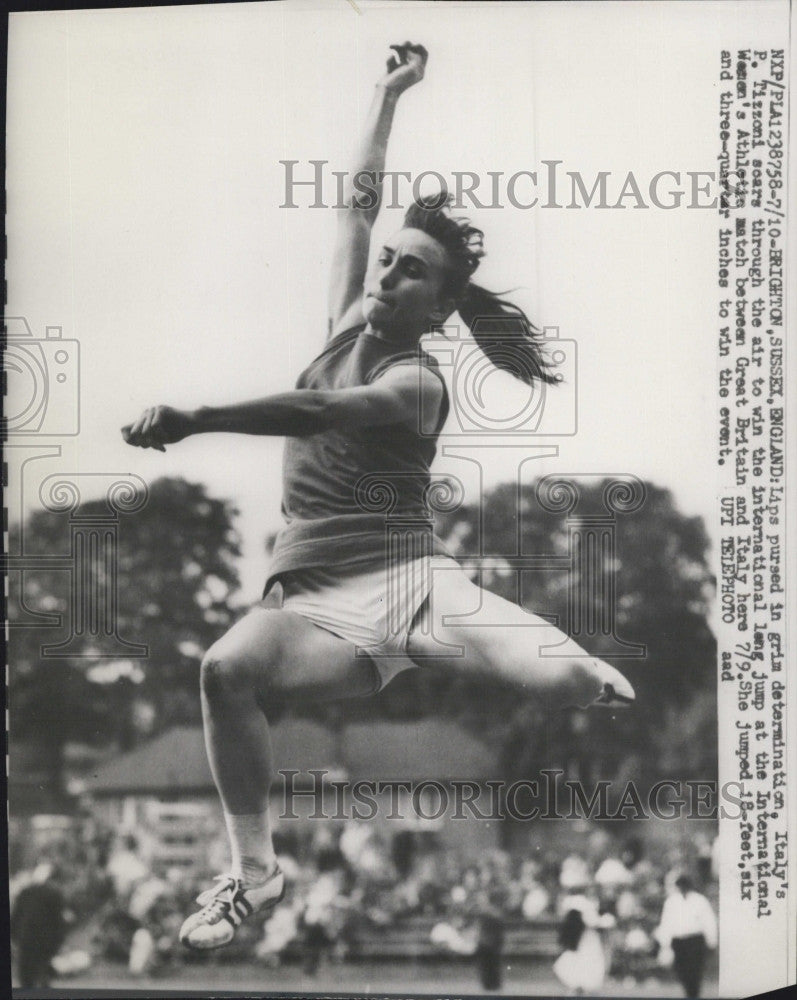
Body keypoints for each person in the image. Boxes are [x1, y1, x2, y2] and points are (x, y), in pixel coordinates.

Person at [122, 42, 634, 952]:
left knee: (566, 681)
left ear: (438, 308)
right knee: (223, 671)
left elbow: (317, 410)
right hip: (317, 606)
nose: (386, 273)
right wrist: (386, 92)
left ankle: (574, 666)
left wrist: (197, 414)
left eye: (409, 271)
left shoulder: (415, 381)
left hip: (413, 585)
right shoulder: (340, 321)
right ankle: (253, 873)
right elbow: (358, 195)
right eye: (389, 259)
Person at [655, 873, 717, 998]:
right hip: (678, 941)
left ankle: (694, 994)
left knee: (695, 970)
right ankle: (689, 993)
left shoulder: (699, 900)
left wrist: (712, 941)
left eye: (684, 885)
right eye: (680, 886)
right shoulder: (672, 901)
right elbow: (666, 923)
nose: (682, 888)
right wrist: (665, 944)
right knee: (682, 970)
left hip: (695, 940)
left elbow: (709, 921)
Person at [11, 862, 67, 989]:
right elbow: (59, 921)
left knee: (26, 978)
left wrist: (14, 937)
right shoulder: (55, 894)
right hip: (44, 942)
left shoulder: (25, 892)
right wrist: (58, 942)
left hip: (26, 939)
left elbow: (16, 917)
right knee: (41, 975)